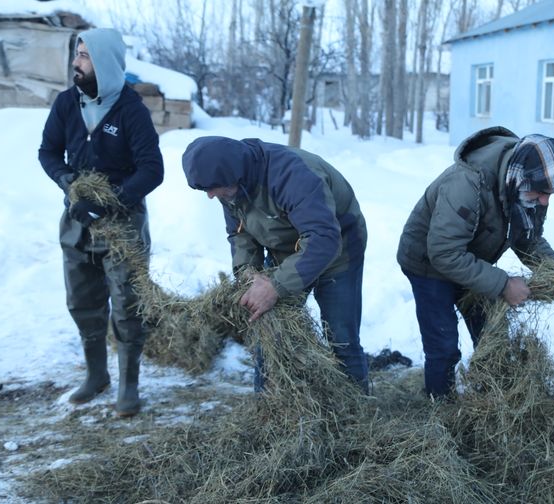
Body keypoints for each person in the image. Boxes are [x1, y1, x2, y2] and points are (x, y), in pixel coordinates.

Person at [396, 126, 554, 398]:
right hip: (429, 262)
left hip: (470, 258)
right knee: (444, 345)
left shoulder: (526, 187)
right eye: (542, 192)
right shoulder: (467, 184)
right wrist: (502, 284)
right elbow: (444, 252)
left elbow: (528, 240)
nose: (545, 200)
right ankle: (440, 409)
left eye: (551, 194)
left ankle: (492, 405)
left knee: (493, 336)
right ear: (519, 178)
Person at [38, 28, 164, 417]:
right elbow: (48, 153)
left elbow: (152, 170)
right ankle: (97, 376)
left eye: (84, 55)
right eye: (77, 53)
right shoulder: (66, 103)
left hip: (123, 224)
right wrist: (70, 184)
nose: (76, 62)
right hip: (76, 220)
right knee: (82, 299)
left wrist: (112, 201)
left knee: (127, 304)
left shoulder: (131, 110)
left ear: (104, 62)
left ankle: (128, 385)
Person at [181, 136, 370, 393]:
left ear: (233, 173)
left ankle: (356, 411)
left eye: (213, 187)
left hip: (338, 248)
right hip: (286, 248)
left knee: (341, 337)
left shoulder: (293, 175)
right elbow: (240, 232)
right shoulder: (228, 184)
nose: (211, 196)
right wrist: (249, 274)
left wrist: (275, 286)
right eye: (204, 189)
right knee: (269, 331)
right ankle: (268, 410)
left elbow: (323, 239)